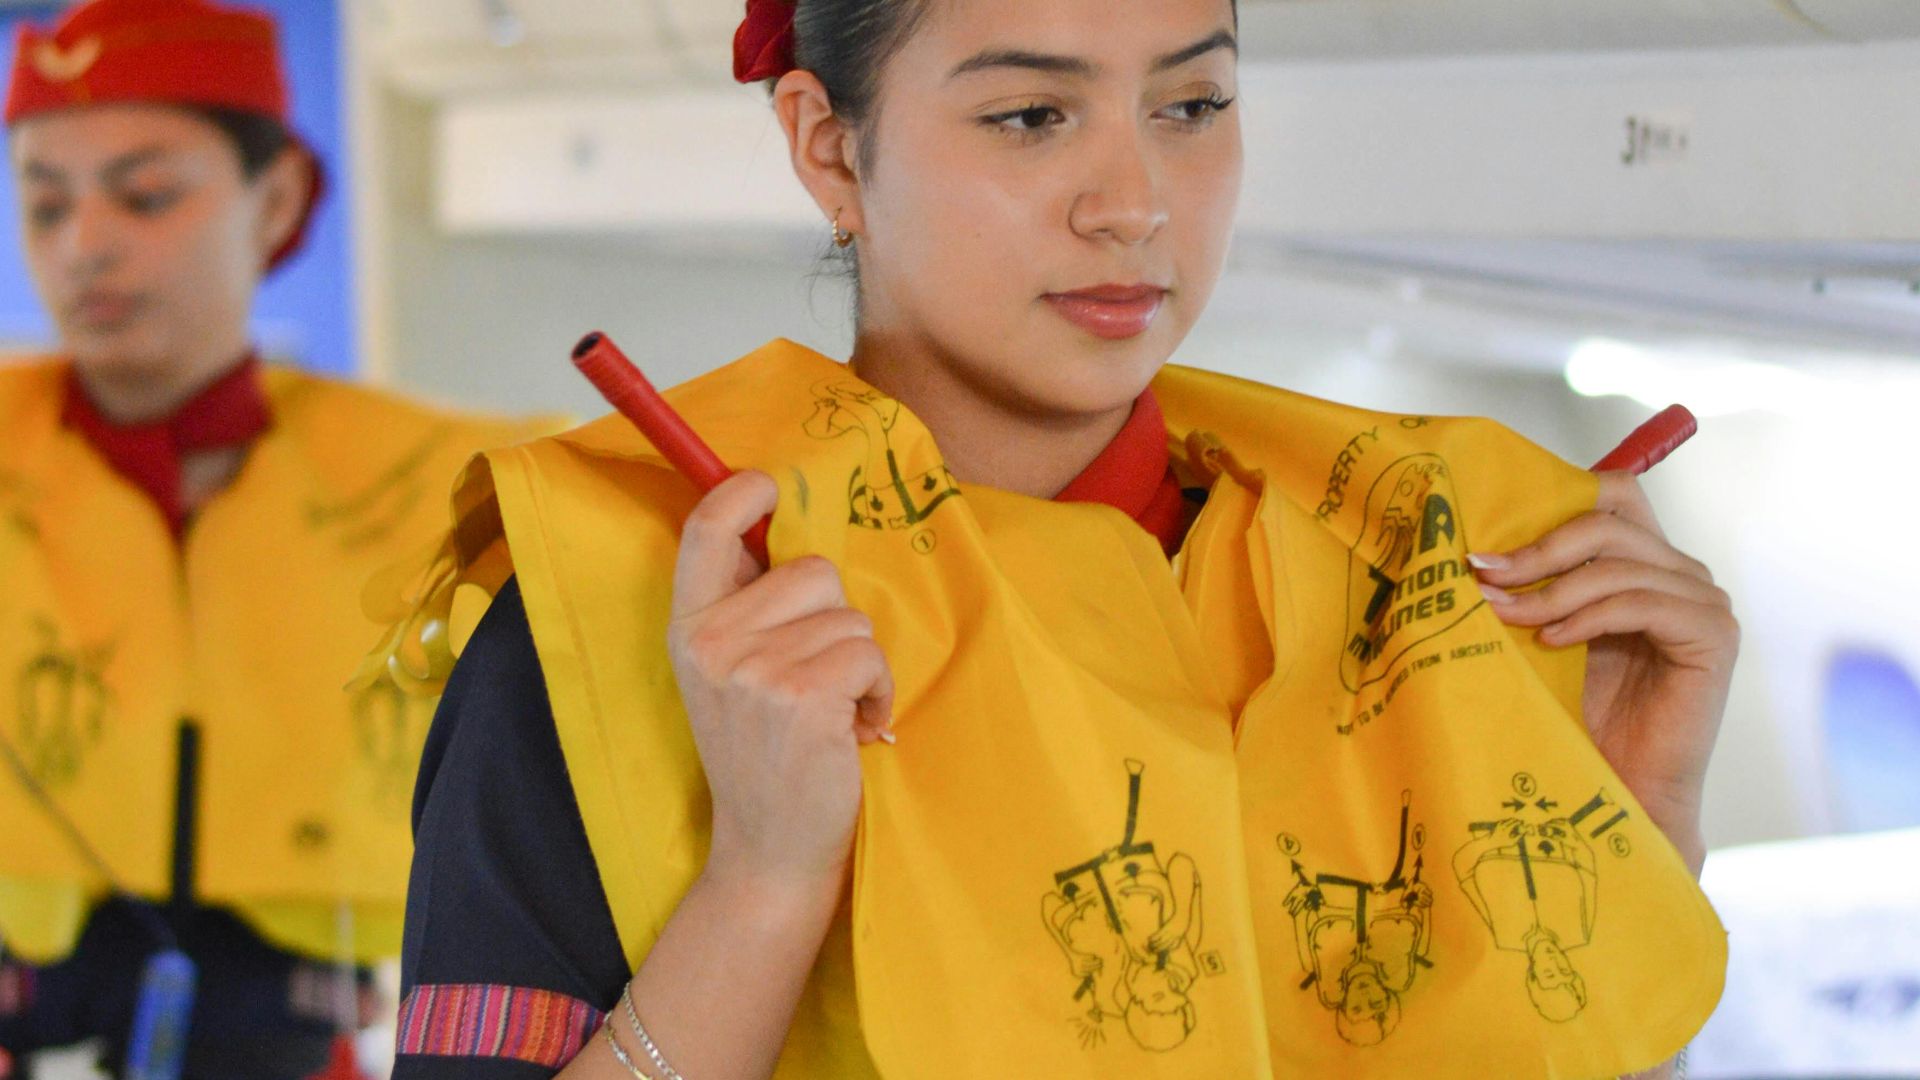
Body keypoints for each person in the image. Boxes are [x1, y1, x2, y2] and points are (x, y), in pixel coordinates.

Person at [383, 1, 1738, 1077]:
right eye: (1033, 115)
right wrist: (765, 880)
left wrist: (1638, 811)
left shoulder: (1398, 585)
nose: (1134, 201)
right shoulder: (640, 615)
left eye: (1191, 106)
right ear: (829, 146)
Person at [0, 1, 556, 1076]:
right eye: (44, 203)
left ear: (280, 197)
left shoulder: (435, 478)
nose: (85, 246)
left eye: (146, 193)